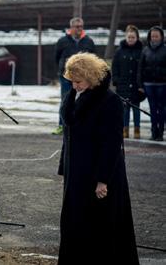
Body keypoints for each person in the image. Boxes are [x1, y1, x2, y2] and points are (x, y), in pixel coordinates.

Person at [57, 52, 139, 264]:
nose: (74, 86)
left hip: (100, 173)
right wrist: (64, 166)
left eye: (78, 81)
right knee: (75, 224)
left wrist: (103, 179)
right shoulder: (75, 95)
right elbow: (69, 135)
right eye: (72, 82)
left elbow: (111, 144)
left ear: (91, 77)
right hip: (76, 173)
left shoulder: (109, 101)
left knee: (101, 226)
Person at [53, 17, 96, 135]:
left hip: (83, 78)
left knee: (83, 100)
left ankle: (81, 124)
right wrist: (63, 69)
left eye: (81, 26)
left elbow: (93, 59)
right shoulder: (62, 41)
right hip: (66, 77)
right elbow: (57, 57)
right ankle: (62, 125)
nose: (80, 29)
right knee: (66, 100)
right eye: (77, 27)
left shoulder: (88, 41)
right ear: (71, 28)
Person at [112, 25, 144, 139]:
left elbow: (143, 68)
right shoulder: (119, 51)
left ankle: (137, 129)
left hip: (136, 85)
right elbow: (115, 66)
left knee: (136, 108)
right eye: (129, 37)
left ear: (137, 38)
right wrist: (115, 80)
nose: (131, 39)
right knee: (125, 109)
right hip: (123, 84)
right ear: (126, 37)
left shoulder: (141, 51)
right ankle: (124, 129)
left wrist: (142, 85)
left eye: (133, 37)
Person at [137, 26, 166, 141]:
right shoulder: (145, 50)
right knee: (153, 108)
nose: (154, 38)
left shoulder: (165, 49)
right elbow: (140, 68)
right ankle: (154, 131)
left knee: (162, 108)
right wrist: (140, 84)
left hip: (162, 84)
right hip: (148, 84)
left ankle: (160, 131)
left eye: (156, 36)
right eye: (152, 36)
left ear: (161, 37)